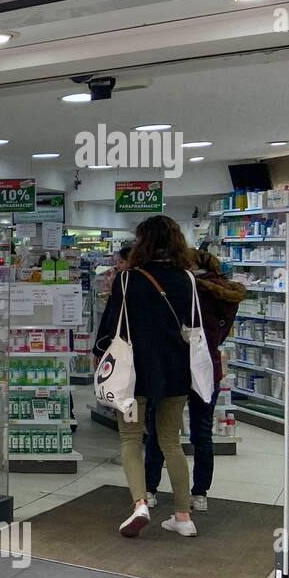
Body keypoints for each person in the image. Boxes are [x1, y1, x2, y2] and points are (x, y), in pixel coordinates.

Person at [93, 215, 197, 538]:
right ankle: (183, 516)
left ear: (143, 243)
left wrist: (98, 354)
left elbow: (110, 327)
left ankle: (140, 503)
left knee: (130, 438)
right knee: (171, 441)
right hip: (176, 371)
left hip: (133, 374)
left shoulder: (128, 280)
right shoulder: (187, 280)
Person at [143, 248, 245, 513]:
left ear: (190, 263)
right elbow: (220, 333)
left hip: (173, 367)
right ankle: (199, 494)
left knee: (160, 430)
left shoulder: (183, 287)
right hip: (207, 367)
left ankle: (149, 489)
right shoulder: (225, 293)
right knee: (202, 433)